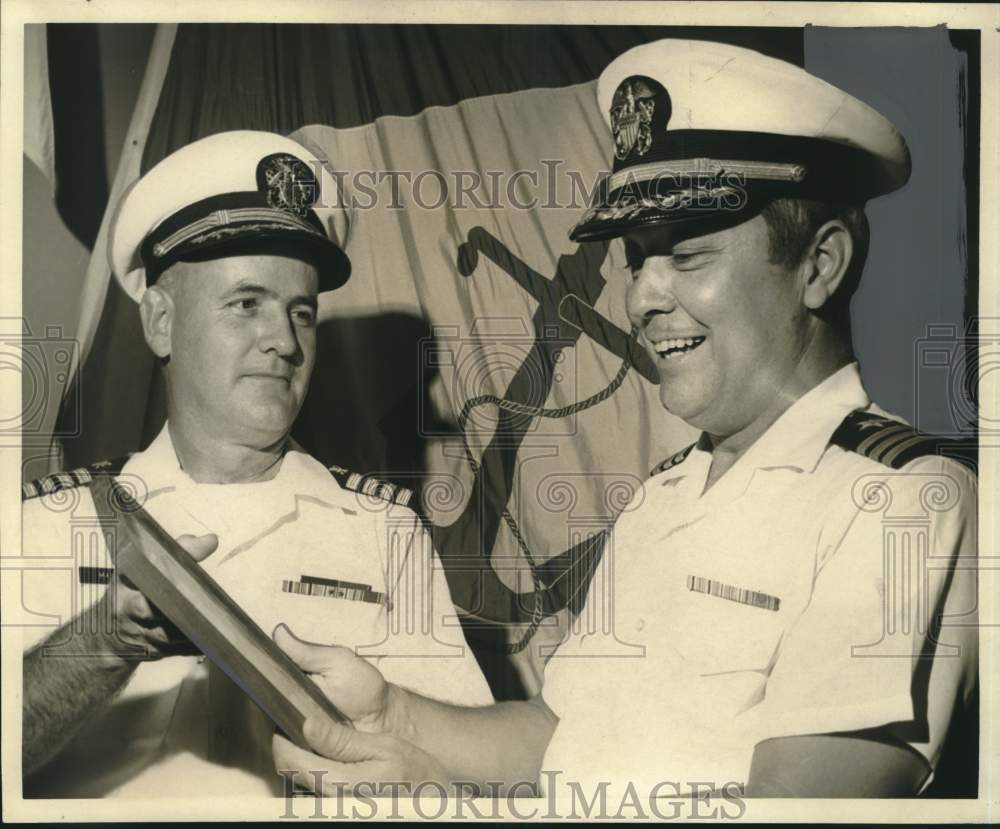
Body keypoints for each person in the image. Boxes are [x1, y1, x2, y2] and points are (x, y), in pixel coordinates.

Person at [268, 40, 978, 798]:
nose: (641, 296)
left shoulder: (901, 501)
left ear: (820, 264)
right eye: (638, 257)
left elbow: (795, 811)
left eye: (690, 256)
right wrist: (393, 715)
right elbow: (566, 734)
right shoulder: (667, 492)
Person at [20, 130, 492, 799]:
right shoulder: (45, 523)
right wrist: (103, 641)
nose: (285, 340)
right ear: (160, 321)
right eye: (247, 304)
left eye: (302, 312)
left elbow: (468, 770)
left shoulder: (383, 530)